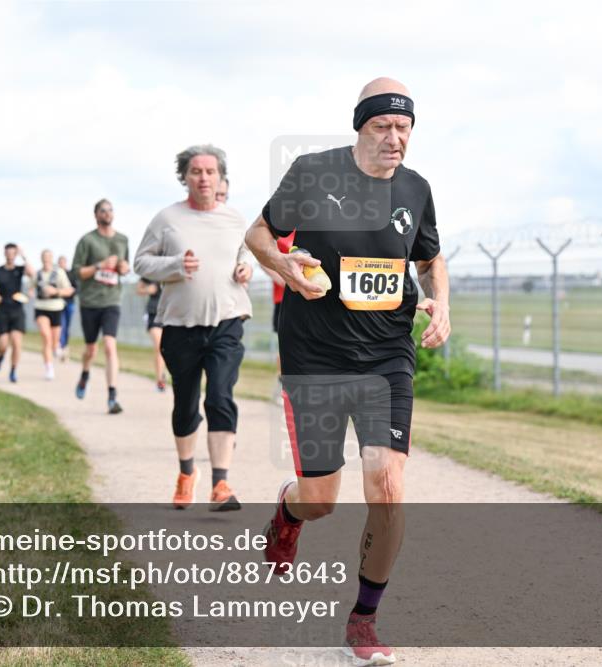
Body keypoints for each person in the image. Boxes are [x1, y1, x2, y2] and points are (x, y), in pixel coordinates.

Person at [245, 77, 450, 665]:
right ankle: (289, 513)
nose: (396, 139)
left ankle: (364, 619)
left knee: (388, 487)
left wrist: (441, 304)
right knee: (321, 497)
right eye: (383, 127)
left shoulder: (416, 189)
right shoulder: (313, 173)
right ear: (359, 127)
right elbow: (258, 235)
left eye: (405, 128)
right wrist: (286, 266)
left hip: (388, 357)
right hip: (314, 357)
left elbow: (431, 259)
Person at [134, 144, 253, 512]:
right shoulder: (167, 219)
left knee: (220, 396)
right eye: (196, 172)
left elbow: (247, 252)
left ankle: (221, 483)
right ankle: (187, 474)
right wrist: (174, 264)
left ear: (220, 176)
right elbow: (141, 262)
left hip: (227, 321)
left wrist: (246, 266)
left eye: (210, 171)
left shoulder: (234, 219)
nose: (203, 177)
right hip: (180, 326)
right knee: (185, 404)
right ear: (184, 177)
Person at [72, 199, 131, 414]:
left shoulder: (123, 239)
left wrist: (124, 268)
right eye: (103, 211)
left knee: (109, 344)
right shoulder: (87, 241)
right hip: (90, 301)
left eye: (110, 210)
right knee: (91, 349)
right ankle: (85, 373)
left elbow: (125, 267)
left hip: (112, 300)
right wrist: (100, 265)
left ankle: (112, 395)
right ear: (96, 215)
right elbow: (77, 272)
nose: (107, 214)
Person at [0, 243, 34, 383]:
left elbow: (33, 274)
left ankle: (13, 370)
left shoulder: (20, 269)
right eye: (9, 253)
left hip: (17, 310)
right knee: (3, 344)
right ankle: (0, 357)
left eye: (14, 253)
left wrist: (23, 255)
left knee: (17, 343)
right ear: (5, 254)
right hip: (2, 311)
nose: (11, 256)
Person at [260, 230, 295, 401]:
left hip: (309, 297)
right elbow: (263, 259)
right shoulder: (282, 231)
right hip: (283, 299)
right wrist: (279, 277)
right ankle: (282, 386)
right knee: (285, 345)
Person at [34, 249, 75, 380]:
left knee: (54, 340)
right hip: (41, 308)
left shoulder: (59, 273)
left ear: (52, 259)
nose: (46, 259)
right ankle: (49, 368)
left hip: (56, 308)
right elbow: (29, 287)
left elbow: (69, 290)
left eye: (48, 257)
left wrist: (55, 291)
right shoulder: (37, 274)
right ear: (41, 258)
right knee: (46, 337)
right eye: (44, 257)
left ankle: (56, 348)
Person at [135, 277, 166, 391]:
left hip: (171, 313)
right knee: (159, 346)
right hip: (154, 314)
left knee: (169, 348)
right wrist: (148, 289)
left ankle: (163, 372)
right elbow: (138, 289)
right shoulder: (153, 270)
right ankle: (159, 380)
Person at [57, 254, 78, 362]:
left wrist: (67, 293)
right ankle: (60, 346)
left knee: (67, 326)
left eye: (63, 262)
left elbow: (76, 288)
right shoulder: (55, 274)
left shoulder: (71, 274)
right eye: (60, 262)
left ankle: (65, 346)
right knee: (62, 325)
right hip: (58, 304)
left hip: (69, 303)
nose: (61, 264)